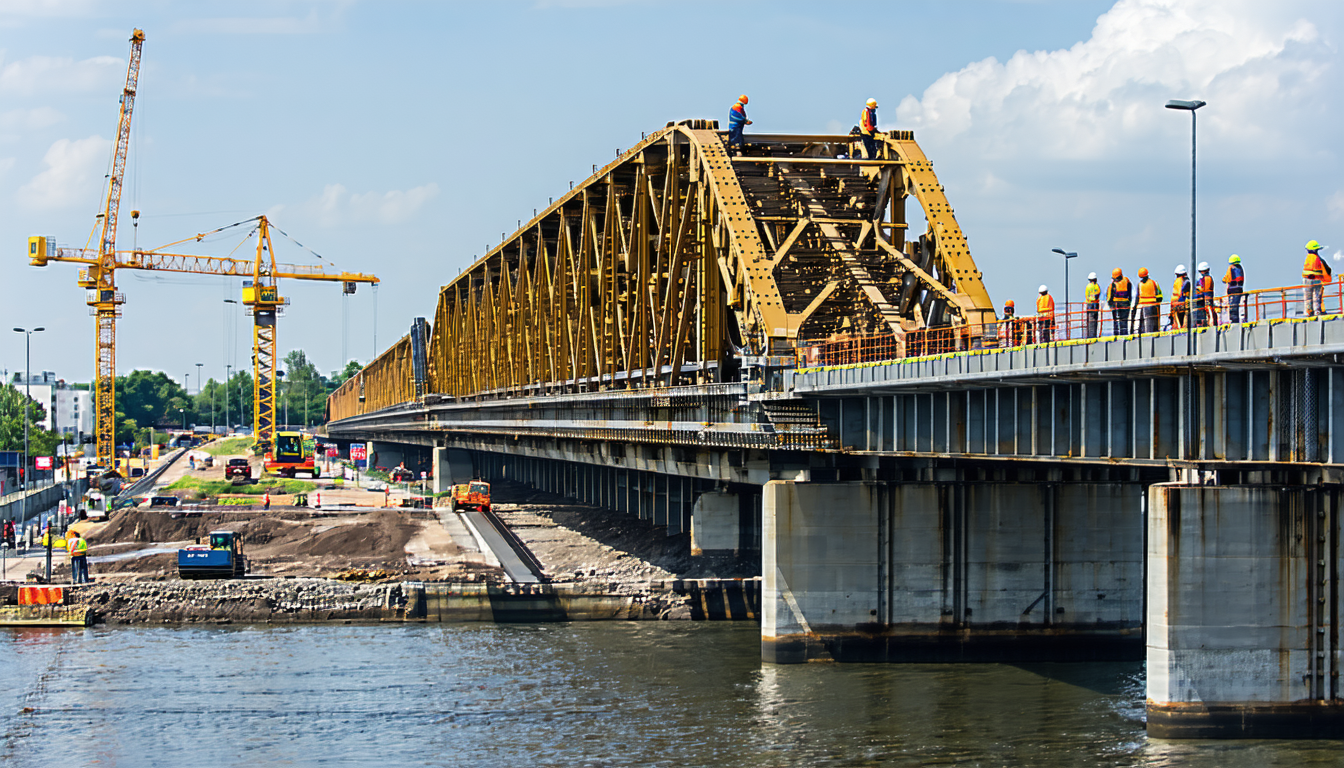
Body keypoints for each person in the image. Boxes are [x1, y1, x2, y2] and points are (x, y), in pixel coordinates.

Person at [1302, 239, 1330, 317]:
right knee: (1317, 295)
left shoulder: (1308, 258)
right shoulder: (1317, 258)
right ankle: (1317, 311)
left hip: (1307, 279)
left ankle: (1308, 311)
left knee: (1307, 297)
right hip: (1317, 279)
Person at [1137, 267, 1163, 333]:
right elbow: (1159, 295)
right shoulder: (1154, 283)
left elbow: (1137, 297)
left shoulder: (1140, 284)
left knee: (1147, 325)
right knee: (1153, 324)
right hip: (1153, 306)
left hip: (1144, 307)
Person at [1107, 268, 1132, 336]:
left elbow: (1109, 297)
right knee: (1124, 321)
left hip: (1117, 305)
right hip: (1126, 304)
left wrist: (1110, 305)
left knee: (1117, 321)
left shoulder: (1113, 285)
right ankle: (1124, 333)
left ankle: (1117, 334)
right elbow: (1130, 293)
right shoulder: (1127, 281)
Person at [1223, 254, 1245, 323]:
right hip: (1239, 289)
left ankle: (1234, 320)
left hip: (1233, 290)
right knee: (1236, 305)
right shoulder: (1240, 268)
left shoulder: (1231, 269)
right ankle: (1236, 319)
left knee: (1233, 306)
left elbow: (1227, 279)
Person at [1193, 262, 1216, 326]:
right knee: (1204, 311)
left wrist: (1199, 289)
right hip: (1202, 299)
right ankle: (1205, 322)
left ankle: (1210, 322)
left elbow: (1205, 288)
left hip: (1207, 297)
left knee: (1209, 310)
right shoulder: (1202, 279)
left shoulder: (1207, 278)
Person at [1170, 265, 1190, 330]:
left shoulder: (1176, 281)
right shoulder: (1187, 281)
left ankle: (1178, 328)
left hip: (1175, 303)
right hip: (1183, 303)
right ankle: (1184, 328)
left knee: (1176, 319)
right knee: (1185, 317)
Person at [1084, 273, 1101, 338]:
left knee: (1090, 320)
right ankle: (1093, 334)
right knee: (1095, 320)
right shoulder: (1097, 286)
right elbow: (1098, 294)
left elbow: (1086, 295)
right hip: (1096, 304)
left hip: (1089, 304)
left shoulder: (1088, 286)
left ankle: (1090, 336)